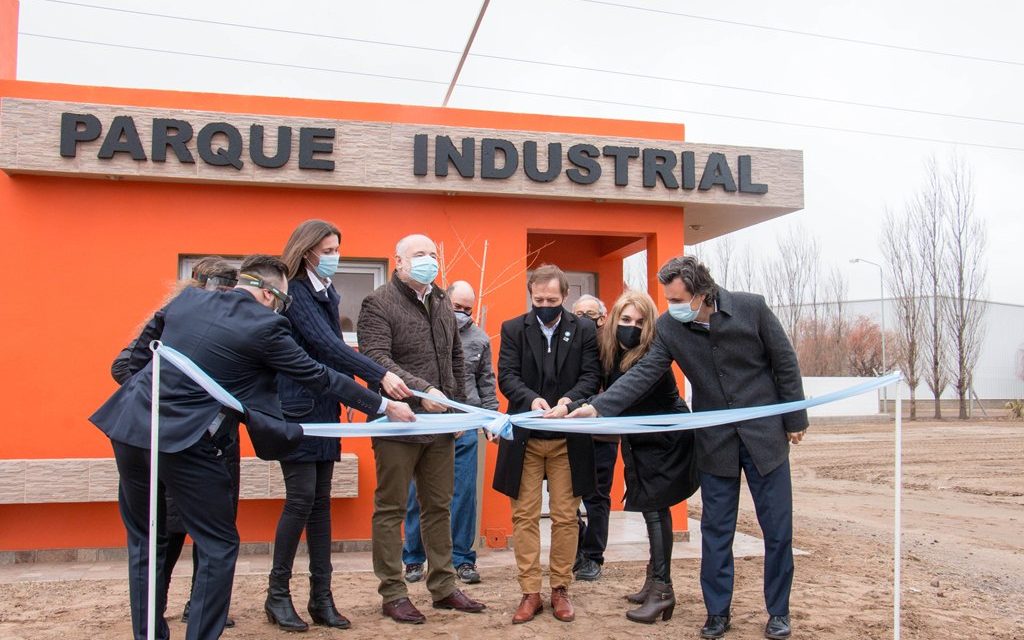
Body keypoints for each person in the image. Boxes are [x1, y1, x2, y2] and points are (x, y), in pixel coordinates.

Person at [90, 254, 416, 640]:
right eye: (280, 300)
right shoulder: (266, 325)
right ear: (266, 293)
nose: (280, 308)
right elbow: (318, 375)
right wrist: (382, 404)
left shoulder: (185, 301)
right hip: (187, 441)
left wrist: (156, 404)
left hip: (128, 428)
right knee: (218, 544)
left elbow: (140, 359)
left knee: (145, 541)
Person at [567, 256, 807, 640]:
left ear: (702, 293)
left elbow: (785, 362)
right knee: (716, 531)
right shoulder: (668, 327)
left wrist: (795, 420)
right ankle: (717, 613)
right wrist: (598, 407)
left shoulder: (752, 308)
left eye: (678, 299)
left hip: (765, 439)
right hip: (715, 443)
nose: (671, 306)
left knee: (777, 531)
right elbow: (644, 373)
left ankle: (778, 612)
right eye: (668, 299)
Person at [266, 220, 413, 632]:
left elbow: (333, 351)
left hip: (324, 407)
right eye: (327, 250)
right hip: (296, 411)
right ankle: (277, 594)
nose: (334, 257)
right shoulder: (295, 291)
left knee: (319, 504)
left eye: (337, 249)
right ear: (307, 250)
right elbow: (327, 346)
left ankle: (321, 597)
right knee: (300, 500)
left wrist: (366, 383)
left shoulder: (325, 292)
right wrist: (379, 377)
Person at [357, 234, 486, 624]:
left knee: (438, 506)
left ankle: (444, 586)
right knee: (391, 508)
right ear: (398, 261)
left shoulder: (443, 299)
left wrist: (459, 412)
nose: (428, 260)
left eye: (433, 254)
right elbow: (375, 356)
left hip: (443, 424)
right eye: (419, 255)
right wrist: (421, 390)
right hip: (398, 421)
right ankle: (393, 592)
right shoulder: (377, 302)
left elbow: (455, 360)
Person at [548, 290, 698, 624]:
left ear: (649, 327)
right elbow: (599, 392)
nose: (631, 327)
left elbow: (625, 391)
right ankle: (653, 582)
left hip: (666, 441)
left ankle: (662, 591)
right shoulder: (611, 352)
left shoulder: (653, 355)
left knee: (657, 512)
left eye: (640, 322)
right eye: (626, 319)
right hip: (639, 441)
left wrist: (586, 408)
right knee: (651, 512)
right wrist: (566, 405)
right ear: (615, 320)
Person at [110, 257, 241, 627]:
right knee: (162, 538)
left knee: (213, 537)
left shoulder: (233, 326)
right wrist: (171, 402)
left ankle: (198, 606)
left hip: (218, 445)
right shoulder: (173, 319)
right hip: (170, 443)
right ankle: (156, 609)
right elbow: (124, 367)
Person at [491, 264, 602, 624]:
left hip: (568, 440)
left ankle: (560, 589)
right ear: (531, 296)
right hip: (525, 438)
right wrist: (531, 400)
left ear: (564, 297)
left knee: (566, 516)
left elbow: (591, 376)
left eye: (551, 300)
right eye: (538, 299)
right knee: (523, 517)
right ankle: (530, 592)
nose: (544, 305)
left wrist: (568, 401)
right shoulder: (513, 329)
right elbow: (506, 375)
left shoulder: (584, 330)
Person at [403, 280, 498, 586]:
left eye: (467, 310)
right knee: (417, 495)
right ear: (444, 303)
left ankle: (462, 560)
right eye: (456, 307)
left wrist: (491, 419)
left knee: (464, 495)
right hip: (427, 425)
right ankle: (414, 559)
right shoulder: (422, 331)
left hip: (466, 426)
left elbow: (486, 384)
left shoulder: (480, 339)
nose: (462, 314)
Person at [569, 294, 614, 582]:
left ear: (602, 317)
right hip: (570, 434)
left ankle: (593, 556)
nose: (584, 318)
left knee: (597, 499)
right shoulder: (569, 345)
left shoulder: (611, 349)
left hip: (601, 435)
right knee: (566, 498)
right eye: (579, 313)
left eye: (590, 313)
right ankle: (576, 548)